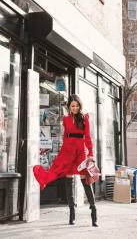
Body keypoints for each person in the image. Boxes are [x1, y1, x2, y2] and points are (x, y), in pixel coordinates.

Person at [33, 94, 98, 227]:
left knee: (85, 181)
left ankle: (94, 211)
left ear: (80, 106)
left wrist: (90, 154)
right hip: (67, 152)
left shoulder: (85, 118)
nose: (75, 108)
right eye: (72, 106)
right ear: (69, 106)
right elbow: (64, 136)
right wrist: (63, 152)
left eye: (77, 105)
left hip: (80, 152)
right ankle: (72, 213)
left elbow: (88, 138)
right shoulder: (66, 119)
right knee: (68, 182)